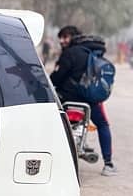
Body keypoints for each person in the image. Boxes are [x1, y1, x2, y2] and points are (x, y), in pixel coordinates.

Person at [50, 25, 117, 176]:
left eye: (65, 37)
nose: (62, 40)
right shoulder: (95, 53)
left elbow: (57, 77)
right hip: (90, 100)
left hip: (67, 98)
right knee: (103, 124)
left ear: (73, 37)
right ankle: (108, 164)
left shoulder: (69, 53)